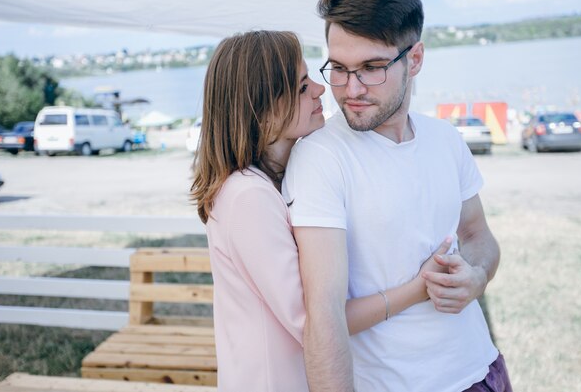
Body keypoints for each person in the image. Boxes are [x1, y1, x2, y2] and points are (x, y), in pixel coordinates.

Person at [282, 0, 512, 392]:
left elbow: (478, 235)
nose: (350, 90)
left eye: (371, 68)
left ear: (416, 58)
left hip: (483, 370)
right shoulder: (320, 157)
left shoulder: (445, 138)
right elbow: (324, 317)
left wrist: (477, 277)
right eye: (338, 68)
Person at [191, 30, 452, 391]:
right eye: (301, 87)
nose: (319, 89)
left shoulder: (262, 185)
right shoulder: (249, 196)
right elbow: (315, 320)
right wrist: (418, 288)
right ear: (262, 109)